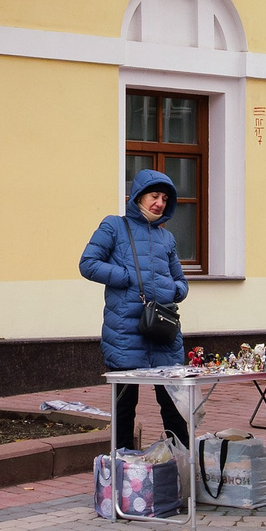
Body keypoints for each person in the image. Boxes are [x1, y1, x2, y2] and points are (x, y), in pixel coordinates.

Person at [81, 168, 193, 461]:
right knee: (124, 407)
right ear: (138, 196)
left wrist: (173, 289)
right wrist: (127, 276)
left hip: (163, 332)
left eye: (164, 198)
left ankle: (182, 469)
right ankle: (121, 474)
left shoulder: (166, 238)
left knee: (173, 406)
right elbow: (88, 263)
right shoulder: (113, 227)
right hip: (125, 333)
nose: (159, 203)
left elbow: (181, 282)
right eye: (154, 196)